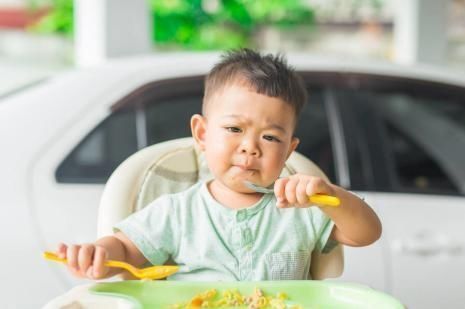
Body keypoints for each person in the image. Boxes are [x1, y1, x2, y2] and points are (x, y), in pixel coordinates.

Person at [57, 49, 382, 281]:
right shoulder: (176, 212)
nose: (250, 147)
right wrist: (100, 255)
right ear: (201, 133)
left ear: (288, 150)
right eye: (234, 129)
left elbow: (366, 232)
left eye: (270, 138)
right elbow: (127, 251)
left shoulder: (303, 208)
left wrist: (330, 196)